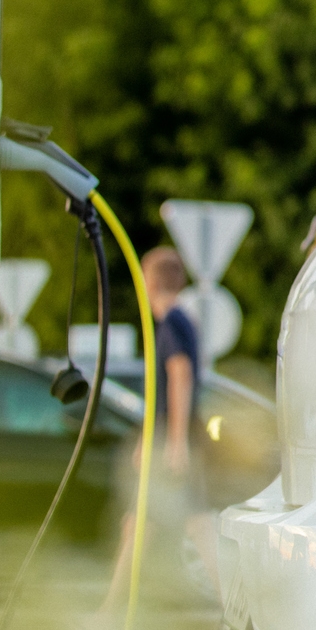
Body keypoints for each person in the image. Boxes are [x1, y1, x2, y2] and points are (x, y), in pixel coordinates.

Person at [101, 244, 209, 610]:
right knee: (168, 524)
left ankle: (110, 613)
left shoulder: (172, 321)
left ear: (152, 280)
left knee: (150, 523)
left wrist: (174, 442)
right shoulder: (182, 320)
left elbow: (180, 375)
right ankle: (112, 611)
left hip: (172, 442)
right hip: (168, 439)